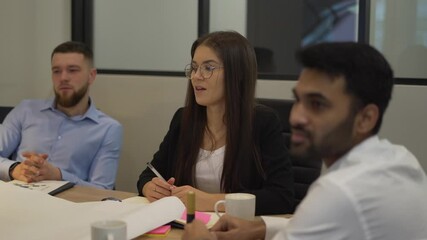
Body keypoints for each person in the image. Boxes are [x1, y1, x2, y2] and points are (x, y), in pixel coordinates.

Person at [182, 42, 427, 240]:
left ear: (365, 118)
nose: (297, 116)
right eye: (298, 100)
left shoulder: (338, 192)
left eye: (317, 105)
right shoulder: (401, 160)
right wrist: (264, 228)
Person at [137, 31, 294, 215]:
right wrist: (150, 187)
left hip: (238, 230)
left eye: (208, 68)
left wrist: (210, 201)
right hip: (189, 227)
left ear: (238, 73)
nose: (196, 76)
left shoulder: (263, 122)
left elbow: (282, 198)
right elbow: (149, 174)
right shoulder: (183, 119)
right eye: (194, 68)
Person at [0, 41, 123, 189]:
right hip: (18, 197)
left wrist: (58, 175)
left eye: (72, 70)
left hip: (69, 205)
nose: (63, 77)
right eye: (56, 71)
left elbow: (102, 190)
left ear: (91, 75)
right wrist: (14, 169)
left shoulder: (108, 129)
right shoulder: (26, 110)